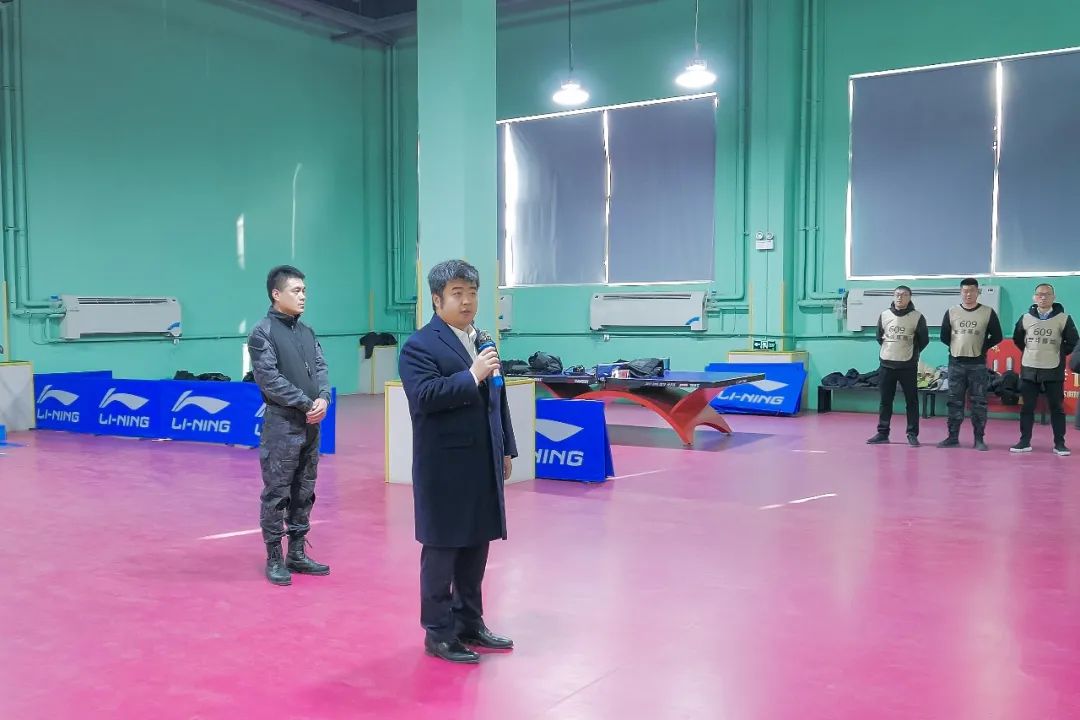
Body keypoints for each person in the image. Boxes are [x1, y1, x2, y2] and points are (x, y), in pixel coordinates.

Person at [398, 259, 518, 664]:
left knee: (476, 546)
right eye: (457, 293)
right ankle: (438, 632)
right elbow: (425, 397)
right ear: (437, 299)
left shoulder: (482, 340)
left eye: (472, 293)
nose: (467, 301)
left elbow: (497, 398)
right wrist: (471, 375)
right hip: (444, 468)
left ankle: (470, 622)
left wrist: (505, 447)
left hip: (482, 461)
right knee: (443, 550)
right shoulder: (419, 346)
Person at [247, 265, 331, 586]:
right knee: (277, 493)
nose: (303, 296)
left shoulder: (307, 332)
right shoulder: (262, 333)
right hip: (282, 425)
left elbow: (320, 368)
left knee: (304, 491)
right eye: (296, 291)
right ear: (276, 294)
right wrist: (307, 403)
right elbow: (269, 380)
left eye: (304, 291)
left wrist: (323, 397)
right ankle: (274, 557)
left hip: (311, 426)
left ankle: (296, 552)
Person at [1010, 283, 1078, 456]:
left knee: (1056, 408)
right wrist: (1031, 352)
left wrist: (1057, 353)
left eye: (1047, 294)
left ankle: (1060, 444)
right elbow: (1018, 339)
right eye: (1040, 294)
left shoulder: (1064, 318)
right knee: (1027, 407)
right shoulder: (1025, 318)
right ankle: (1024, 441)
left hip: (1053, 369)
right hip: (1029, 369)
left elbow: (1072, 342)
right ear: (1034, 297)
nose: (1043, 297)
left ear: (1053, 297)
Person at [937, 277, 1003, 451]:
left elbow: (997, 336)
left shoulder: (988, 312)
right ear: (961, 292)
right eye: (965, 291)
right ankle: (952, 437)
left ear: (977, 292)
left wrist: (982, 347)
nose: (968, 294)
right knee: (954, 401)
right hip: (956, 363)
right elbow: (944, 336)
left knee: (979, 402)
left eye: (972, 291)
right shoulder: (951, 312)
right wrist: (957, 347)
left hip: (977, 365)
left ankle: (979, 439)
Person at [867, 285, 929, 446]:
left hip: (908, 366)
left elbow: (924, 340)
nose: (900, 297)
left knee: (912, 401)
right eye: (897, 294)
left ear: (910, 297)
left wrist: (911, 354)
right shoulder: (884, 315)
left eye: (904, 294)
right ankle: (882, 433)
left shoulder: (917, 317)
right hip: (886, 364)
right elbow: (879, 337)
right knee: (885, 400)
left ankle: (912, 434)